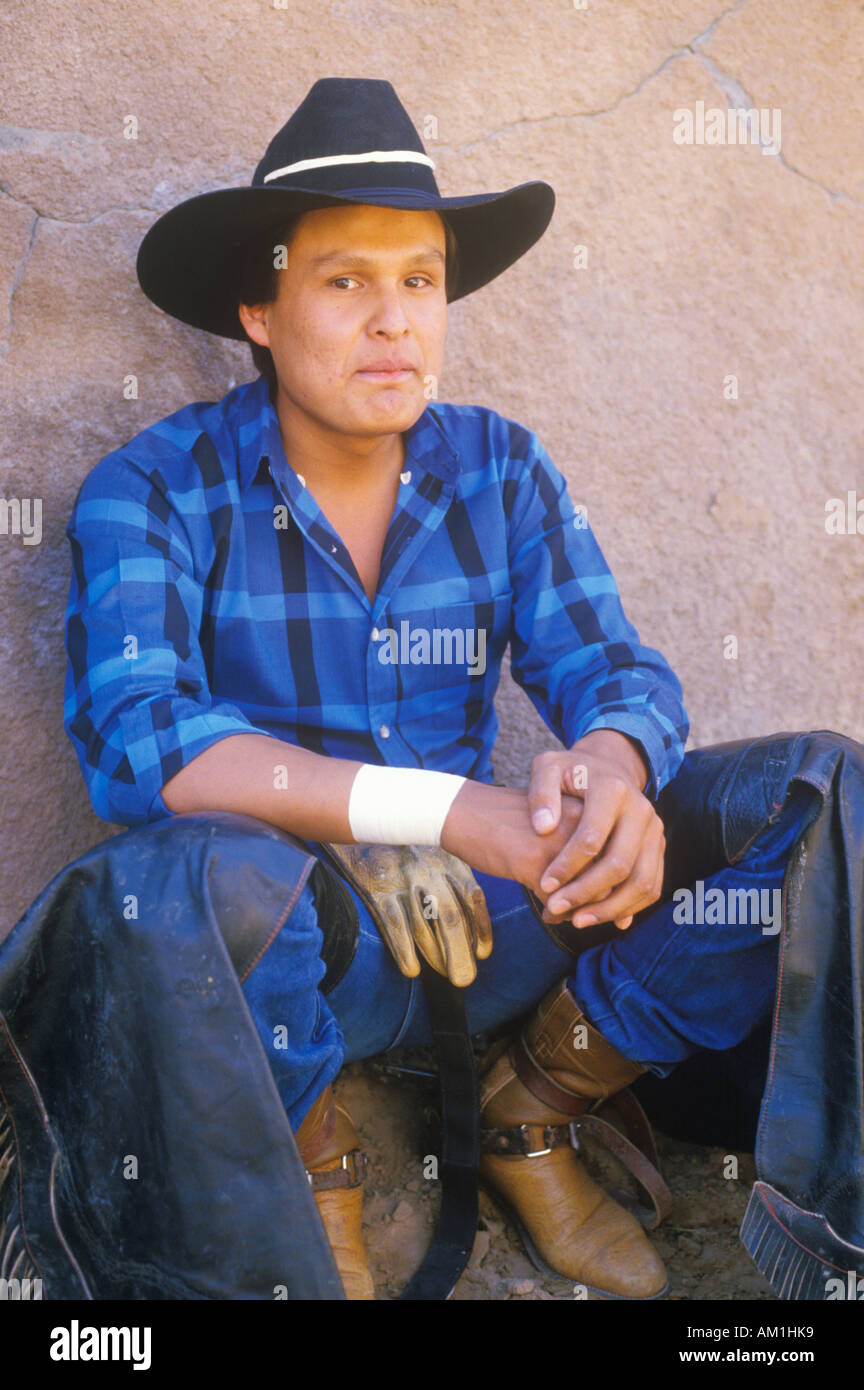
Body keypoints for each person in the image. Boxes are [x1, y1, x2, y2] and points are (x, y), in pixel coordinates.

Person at [63, 77, 813, 1300]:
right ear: (259, 307)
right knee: (190, 877)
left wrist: (609, 770)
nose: (393, 319)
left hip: (501, 916)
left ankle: (540, 1106)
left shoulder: (500, 469)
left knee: (819, 793)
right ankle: (315, 1178)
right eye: (346, 279)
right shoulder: (152, 486)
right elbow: (140, 742)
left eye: (420, 279)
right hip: (307, 952)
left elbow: (618, 671)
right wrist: (426, 811)